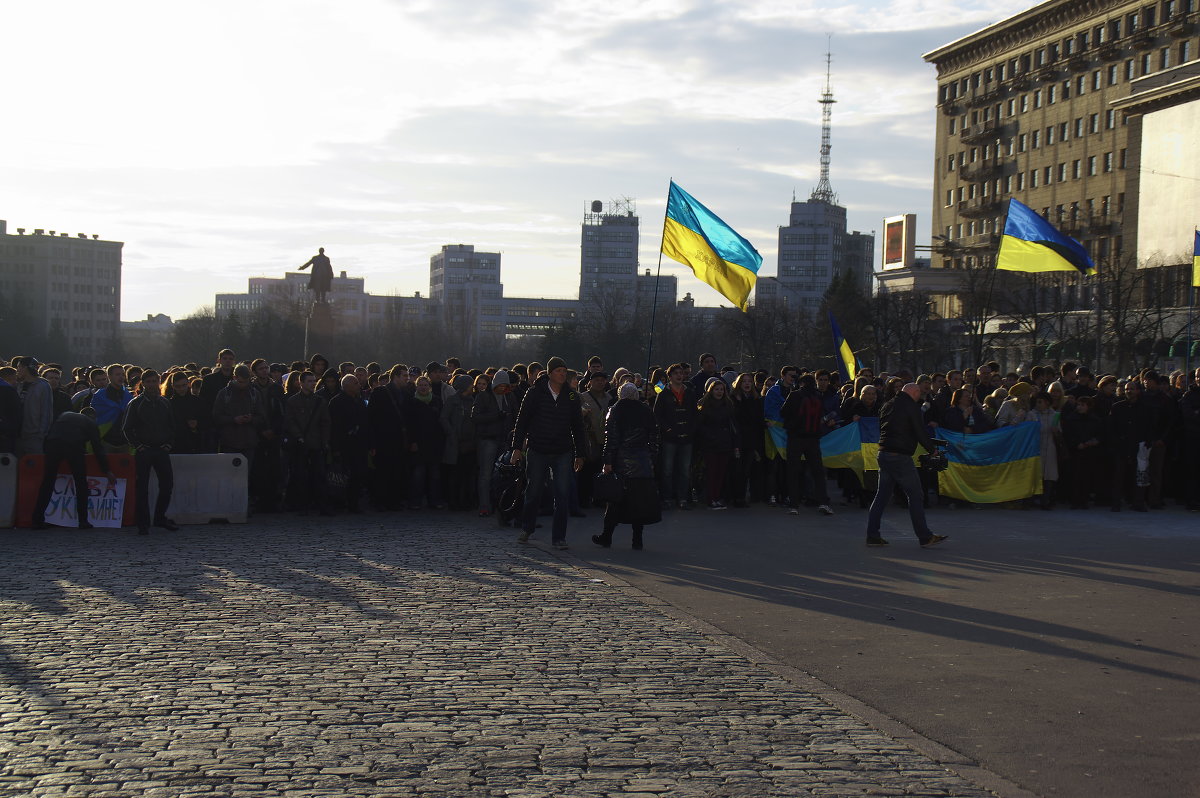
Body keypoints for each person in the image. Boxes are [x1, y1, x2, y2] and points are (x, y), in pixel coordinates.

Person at [510, 356, 585, 549]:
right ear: (550, 373)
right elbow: (522, 422)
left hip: (562, 450)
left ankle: (559, 537)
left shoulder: (571, 396)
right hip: (538, 449)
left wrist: (580, 453)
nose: (562, 374)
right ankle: (527, 527)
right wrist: (517, 448)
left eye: (564, 371)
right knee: (533, 491)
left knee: (561, 494)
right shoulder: (535, 393)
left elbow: (578, 427)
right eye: (558, 371)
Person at [864, 383, 947, 548]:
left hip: (884, 453)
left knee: (881, 496)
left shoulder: (888, 404)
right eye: (919, 394)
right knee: (916, 495)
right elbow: (919, 431)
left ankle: (872, 535)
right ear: (914, 392)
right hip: (900, 456)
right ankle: (925, 536)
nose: (919, 398)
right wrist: (932, 450)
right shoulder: (911, 407)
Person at [592, 382, 662, 549]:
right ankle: (637, 540)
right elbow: (654, 437)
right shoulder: (646, 410)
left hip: (621, 462)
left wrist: (607, 461)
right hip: (643, 463)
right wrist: (650, 457)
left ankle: (606, 536)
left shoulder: (615, 410)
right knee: (639, 503)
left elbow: (612, 439)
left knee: (614, 501)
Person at [31, 407, 117, 530]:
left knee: (47, 482)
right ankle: (83, 521)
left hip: (53, 444)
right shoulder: (90, 423)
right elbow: (98, 448)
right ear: (93, 417)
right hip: (73, 446)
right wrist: (107, 470)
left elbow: (50, 432)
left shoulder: (65, 415)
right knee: (81, 483)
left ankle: (37, 519)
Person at [122, 370, 179, 535]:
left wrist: (169, 444)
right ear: (143, 383)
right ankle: (143, 522)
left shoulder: (165, 403)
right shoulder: (135, 403)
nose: (152, 385)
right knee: (142, 488)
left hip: (161, 450)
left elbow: (172, 427)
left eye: (155, 381)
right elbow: (127, 428)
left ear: (159, 382)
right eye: (148, 382)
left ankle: (160, 517)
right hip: (144, 451)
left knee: (167, 485)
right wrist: (138, 446)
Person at [780, 374, 834, 516]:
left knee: (793, 471)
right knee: (818, 472)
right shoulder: (817, 397)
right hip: (813, 438)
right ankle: (823, 501)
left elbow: (783, 412)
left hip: (795, 437)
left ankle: (794, 504)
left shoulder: (795, 395)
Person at [471, 369, 517, 517]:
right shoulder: (484, 396)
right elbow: (475, 417)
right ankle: (484, 505)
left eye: (505, 385)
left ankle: (500, 505)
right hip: (487, 439)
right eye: (501, 385)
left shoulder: (510, 397)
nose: (503, 388)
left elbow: (517, 415)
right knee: (485, 474)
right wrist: (496, 416)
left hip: (504, 439)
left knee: (502, 475)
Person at [653, 363, 699, 510]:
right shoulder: (663, 392)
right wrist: (666, 429)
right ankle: (667, 498)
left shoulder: (690, 392)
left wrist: (691, 429)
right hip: (670, 437)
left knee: (684, 470)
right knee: (667, 469)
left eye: (681, 373)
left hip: (687, 437)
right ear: (670, 376)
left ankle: (683, 498)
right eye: (676, 373)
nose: (679, 376)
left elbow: (695, 414)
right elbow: (657, 415)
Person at [284, 371, 331, 515]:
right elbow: (290, 422)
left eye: (314, 381)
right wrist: (299, 436)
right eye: (309, 381)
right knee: (299, 475)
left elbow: (325, 423)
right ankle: (300, 505)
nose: (313, 383)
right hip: (299, 444)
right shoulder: (292, 401)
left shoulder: (320, 401)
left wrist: (325, 442)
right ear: (301, 383)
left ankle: (321, 505)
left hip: (316, 443)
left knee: (319, 475)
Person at [695, 376, 739, 510]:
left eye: (721, 389)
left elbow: (733, 426)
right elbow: (700, 426)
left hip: (725, 443)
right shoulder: (705, 405)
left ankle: (716, 497)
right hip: (710, 444)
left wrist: (735, 443)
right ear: (711, 391)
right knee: (711, 472)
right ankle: (710, 498)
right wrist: (709, 436)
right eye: (716, 389)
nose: (719, 392)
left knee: (721, 472)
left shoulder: (729, 405)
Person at [328, 374, 370, 513]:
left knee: (358, 475)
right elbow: (335, 427)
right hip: (344, 445)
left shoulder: (359, 401)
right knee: (341, 477)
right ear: (346, 386)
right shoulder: (336, 402)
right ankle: (340, 502)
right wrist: (336, 449)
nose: (359, 385)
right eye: (356, 383)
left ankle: (354, 503)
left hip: (360, 445)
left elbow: (366, 422)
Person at [13, 356, 53, 455]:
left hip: (34, 435)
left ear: (26, 368)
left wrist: (41, 433)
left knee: (34, 465)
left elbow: (46, 411)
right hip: (18, 434)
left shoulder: (43, 386)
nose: (17, 370)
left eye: (19, 367)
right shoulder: (18, 385)